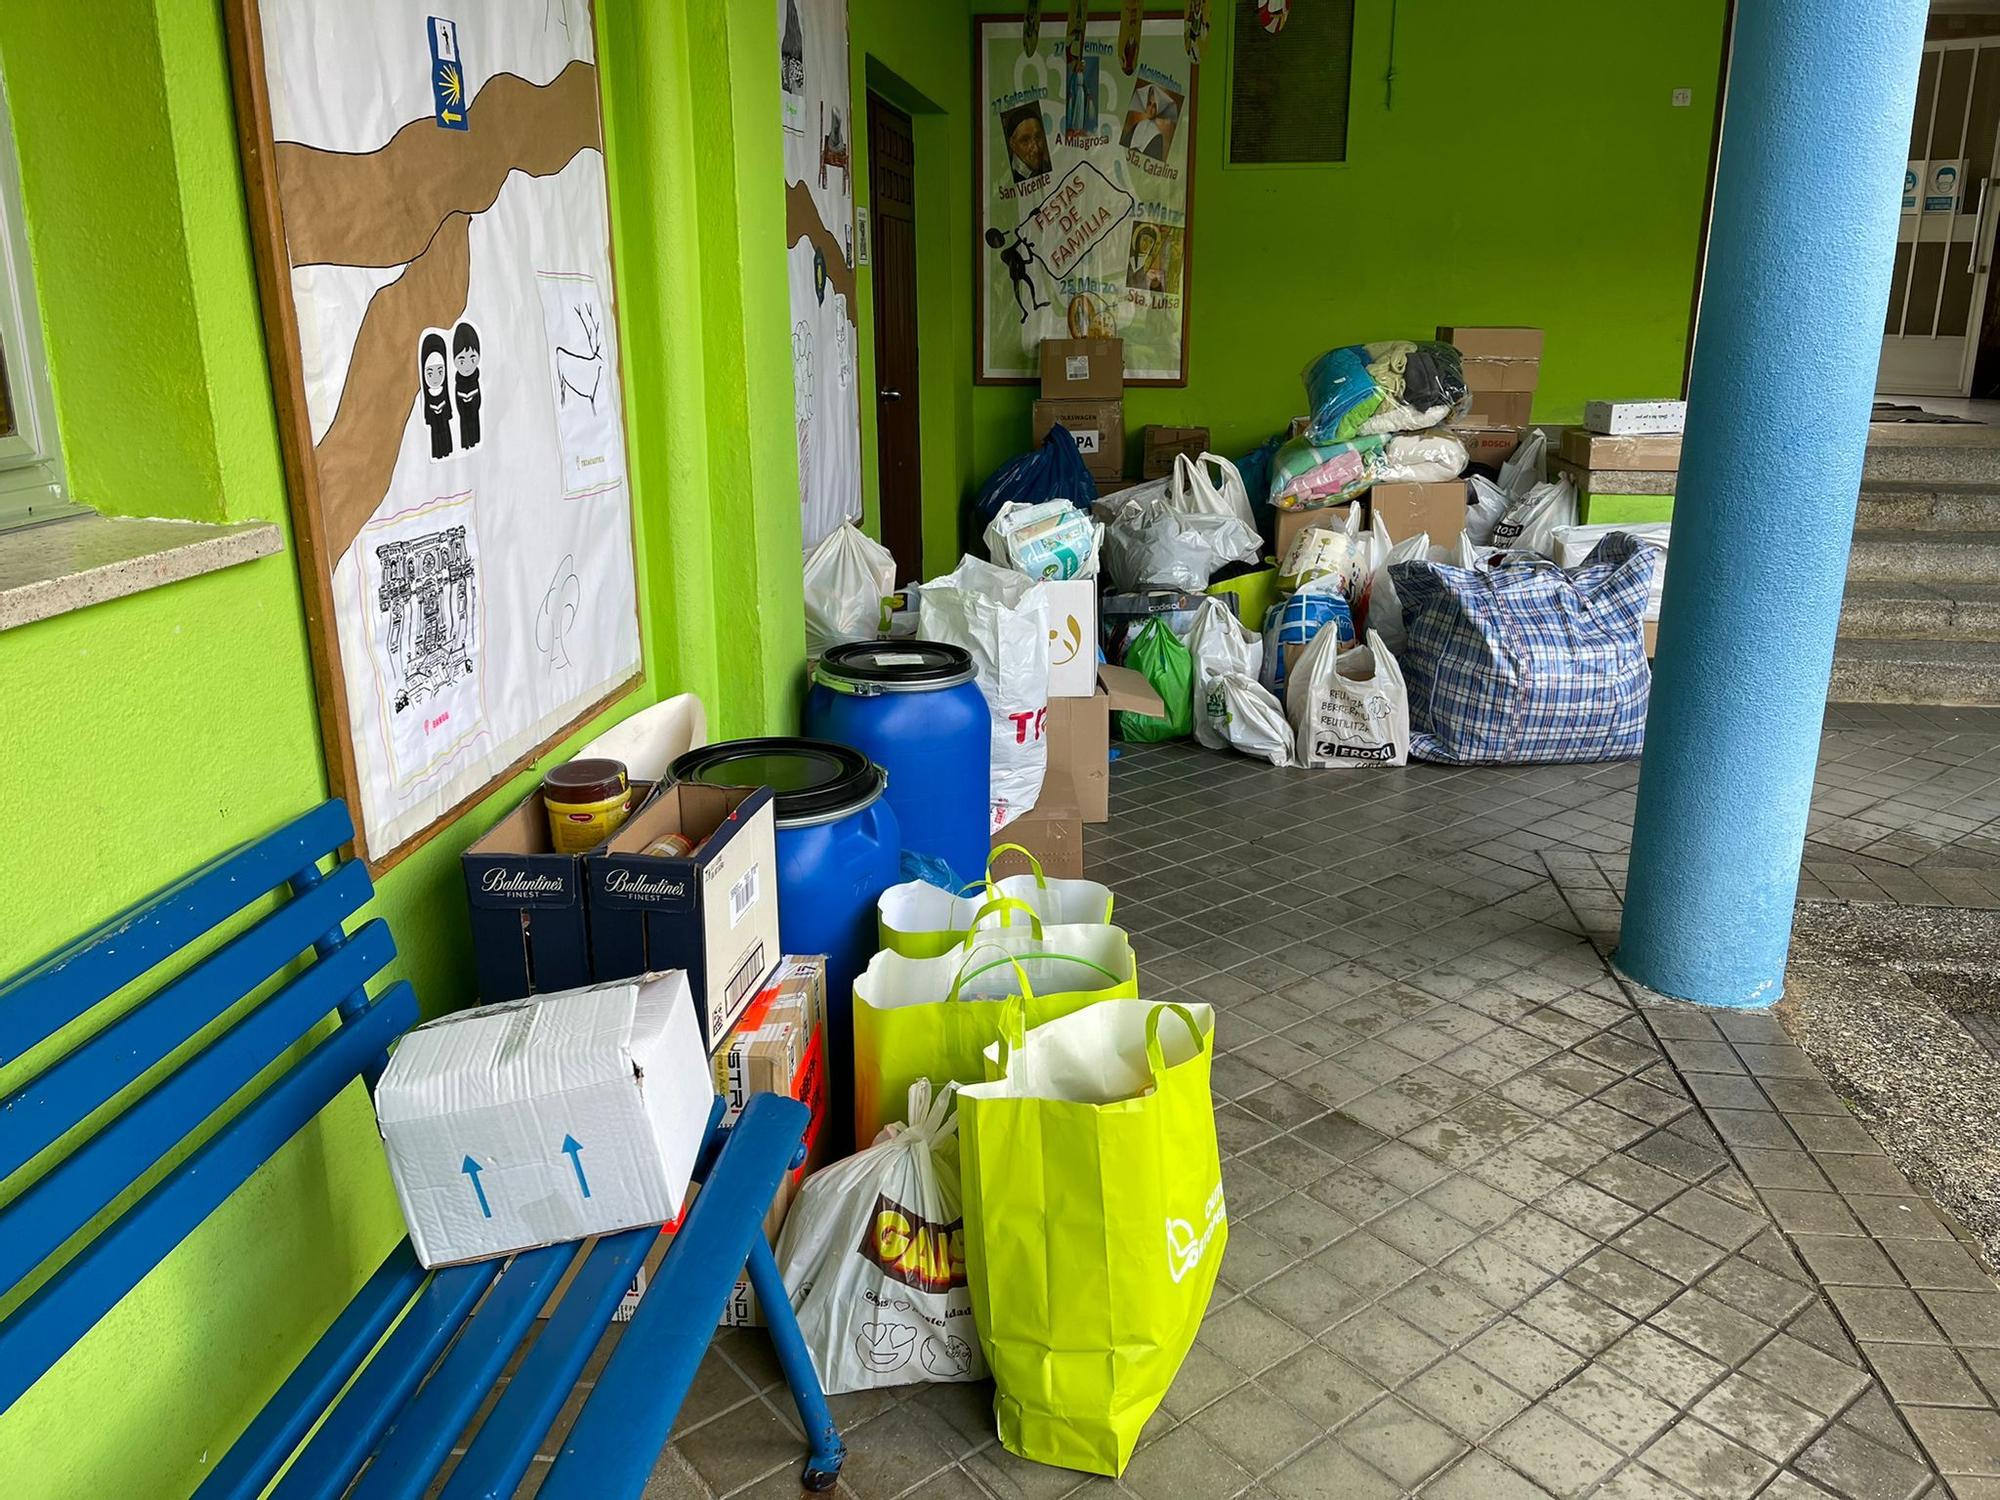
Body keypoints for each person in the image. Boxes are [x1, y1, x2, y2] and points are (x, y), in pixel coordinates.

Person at [986, 225, 1050, 323]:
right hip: (1016, 273)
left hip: (1019, 272)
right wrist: (1021, 236)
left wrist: (1027, 246)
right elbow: (1017, 245)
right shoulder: (1005, 253)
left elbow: (1029, 260)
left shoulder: (1009, 254)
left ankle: (1034, 304)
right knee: (1018, 292)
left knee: (1029, 286)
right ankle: (1026, 309)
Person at [420, 332, 453, 459]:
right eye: (430, 373)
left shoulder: (445, 391)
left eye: (440, 371)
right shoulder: (427, 395)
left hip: (444, 423)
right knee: (436, 440)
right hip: (435, 425)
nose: (435, 378)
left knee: (445, 437)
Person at [451, 321, 482, 449]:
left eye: (473, 359)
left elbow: (479, 398)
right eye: (462, 361)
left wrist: (473, 402)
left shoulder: (475, 379)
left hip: (474, 412)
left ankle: (475, 441)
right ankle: (466, 444)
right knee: (465, 429)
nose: (468, 365)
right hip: (464, 414)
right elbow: (457, 401)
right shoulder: (458, 382)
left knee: (475, 428)